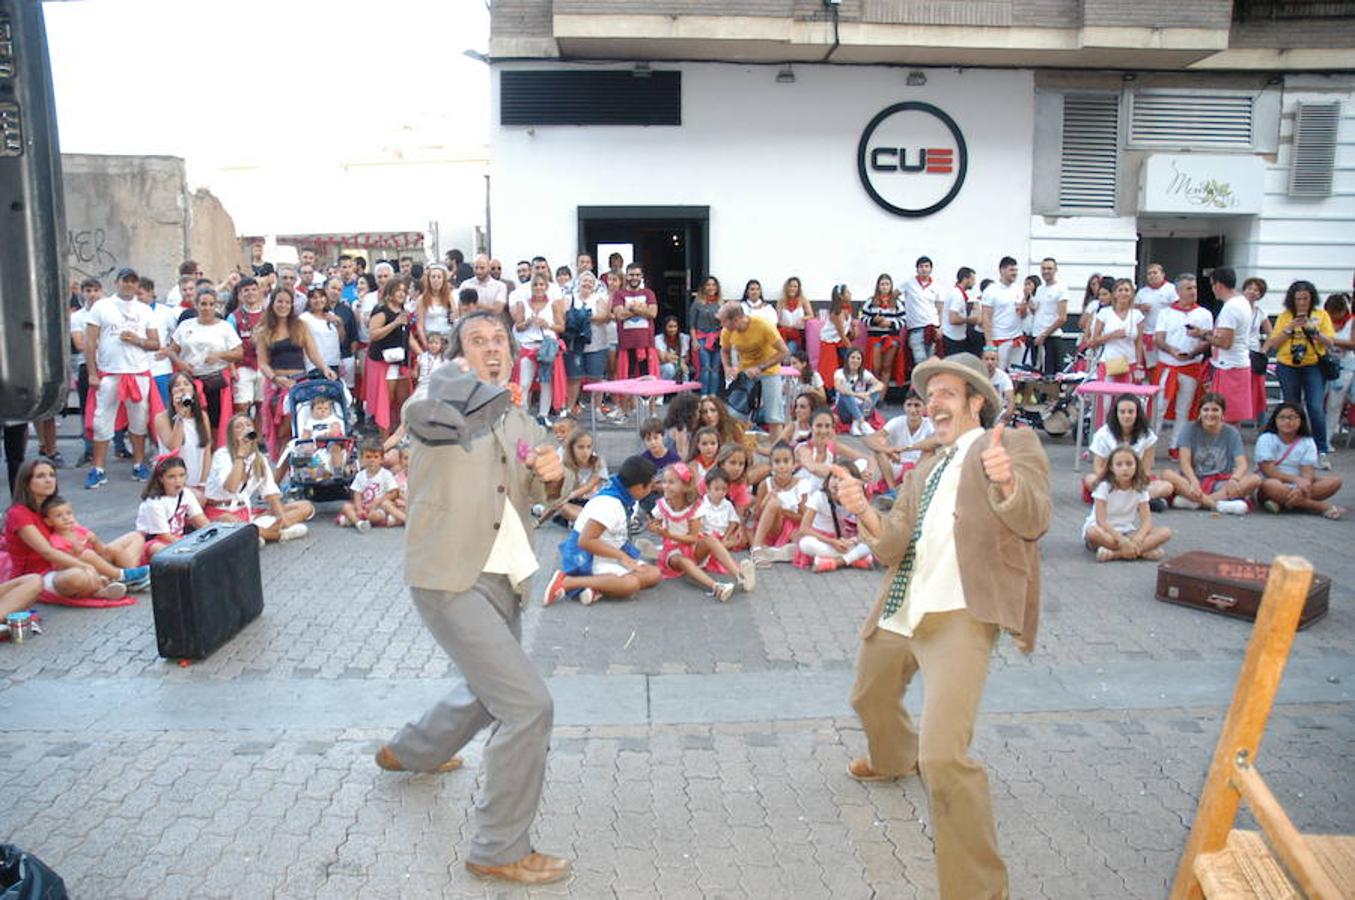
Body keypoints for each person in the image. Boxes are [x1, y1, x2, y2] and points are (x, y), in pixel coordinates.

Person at [837, 352, 1052, 900]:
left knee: (944, 760)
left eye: (947, 395)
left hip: (961, 614)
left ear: (976, 401)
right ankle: (891, 759)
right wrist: (863, 509)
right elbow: (891, 546)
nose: (933, 404)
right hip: (904, 604)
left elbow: (1034, 519)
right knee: (867, 697)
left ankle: (979, 891)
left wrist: (1006, 484)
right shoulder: (925, 468)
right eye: (929, 396)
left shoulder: (1008, 447)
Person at [380, 309, 570, 885]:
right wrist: (452, 375)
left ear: (514, 353)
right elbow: (428, 415)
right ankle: (497, 846)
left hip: (500, 580)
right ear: (456, 355)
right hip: (447, 578)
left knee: (490, 692)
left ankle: (411, 751)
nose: (491, 349)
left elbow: (544, 489)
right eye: (477, 341)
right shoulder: (435, 401)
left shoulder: (520, 419)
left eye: (499, 342)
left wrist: (554, 470)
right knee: (528, 706)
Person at [3, 459, 140, 600]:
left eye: (52, 475)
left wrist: (96, 546)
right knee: (77, 577)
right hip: (40, 574)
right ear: (26, 482)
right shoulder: (18, 513)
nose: (48, 480)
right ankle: (118, 578)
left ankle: (121, 577)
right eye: (40, 476)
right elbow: (47, 552)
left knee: (135, 537)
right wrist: (87, 566)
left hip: (67, 559)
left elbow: (76, 534)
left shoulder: (53, 506)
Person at [543, 455, 660, 606]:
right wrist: (622, 557)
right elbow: (585, 541)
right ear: (638, 487)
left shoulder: (624, 493)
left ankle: (596, 588)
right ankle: (568, 582)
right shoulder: (610, 505)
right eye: (650, 486)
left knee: (654, 574)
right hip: (589, 556)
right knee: (631, 585)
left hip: (610, 552)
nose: (651, 490)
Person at [84, 267, 162, 488]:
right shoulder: (102, 306)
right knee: (102, 422)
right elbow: (90, 342)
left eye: (133, 281)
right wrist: (92, 373)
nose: (128, 285)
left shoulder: (145, 310)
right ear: (117, 283)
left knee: (139, 422)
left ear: (138, 285)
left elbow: (155, 343)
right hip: (110, 373)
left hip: (137, 373)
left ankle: (138, 465)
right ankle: (98, 468)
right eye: (124, 281)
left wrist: (137, 340)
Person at [647, 462, 747, 602]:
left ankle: (739, 575)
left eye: (671, 482)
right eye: (664, 482)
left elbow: (693, 538)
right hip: (672, 552)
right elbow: (655, 524)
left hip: (691, 546)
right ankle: (716, 587)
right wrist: (653, 527)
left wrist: (668, 534)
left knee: (710, 539)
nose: (665, 486)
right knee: (683, 561)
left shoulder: (695, 508)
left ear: (685, 486)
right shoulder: (662, 506)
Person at [204, 414, 313, 541]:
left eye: (248, 425)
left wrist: (283, 520)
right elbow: (231, 487)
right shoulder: (222, 455)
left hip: (245, 513)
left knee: (305, 506)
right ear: (231, 435)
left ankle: (258, 534)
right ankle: (277, 535)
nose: (245, 429)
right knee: (228, 520)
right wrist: (240, 455)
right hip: (221, 511)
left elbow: (271, 495)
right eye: (239, 427)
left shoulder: (259, 458)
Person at [1263, 279, 1336, 468]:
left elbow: (1330, 343)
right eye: (1298, 299)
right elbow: (1274, 344)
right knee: (1291, 406)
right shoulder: (1285, 316)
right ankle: (1291, 449)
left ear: (1312, 298)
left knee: (1315, 407)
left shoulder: (1321, 315)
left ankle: (1321, 450)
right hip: (1288, 364)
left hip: (1313, 364)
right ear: (1291, 300)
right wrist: (1290, 329)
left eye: (1305, 298)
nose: (1302, 302)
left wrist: (1315, 333)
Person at [1160, 393, 1262, 514]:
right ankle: (1218, 505)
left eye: (1215, 410)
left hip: (1221, 482)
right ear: (1199, 413)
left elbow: (1242, 464)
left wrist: (1234, 479)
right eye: (1206, 410)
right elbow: (1184, 462)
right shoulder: (1189, 429)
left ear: (1222, 414)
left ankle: (1197, 502)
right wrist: (1193, 481)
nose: (1210, 414)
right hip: (1194, 480)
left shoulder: (1231, 432)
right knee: (1167, 474)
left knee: (1255, 479)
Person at [167, 287, 243, 442]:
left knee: (215, 420)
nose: (207, 308)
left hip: (215, 380)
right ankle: (193, 450)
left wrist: (221, 355)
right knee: (190, 417)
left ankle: (214, 453)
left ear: (216, 306)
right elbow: (171, 351)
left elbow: (239, 352)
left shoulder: (224, 327)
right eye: (203, 304)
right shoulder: (186, 326)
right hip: (190, 381)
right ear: (196, 305)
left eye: (210, 304)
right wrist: (180, 363)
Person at [1083, 445, 1173, 562]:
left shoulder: (1140, 488)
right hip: (1105, 532)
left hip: (1127, 532)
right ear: (1111, 467)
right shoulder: (1104, 486)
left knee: (1165, 532)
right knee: (1092, 532)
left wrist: (1138, 538)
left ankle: (1117, 554)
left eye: (1129, 464)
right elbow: (1102, 521)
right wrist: (1121, 540)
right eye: (1119, 464)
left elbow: (1146, 521)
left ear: (1136, 466)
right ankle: (1141, 551)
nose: (1124, 468)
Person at [41, 494, 151, 589]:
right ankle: (124, 576)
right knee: (87, 554)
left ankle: (131, 574)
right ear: (49, 521)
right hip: (85, 569)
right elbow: (60, 565)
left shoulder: (79, 530)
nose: (66, 518)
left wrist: (95, 541)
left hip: (101, 562)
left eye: (68, 513)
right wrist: (75, 552)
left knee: (135, 537)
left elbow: (101, 551)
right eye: (59, 516)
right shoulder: (56, 540)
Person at [1153, 275, 1213, 449]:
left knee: (1185, 410)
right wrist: (1172, 350)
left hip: (1191, 367)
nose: (1193, 291)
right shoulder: (1165, 313)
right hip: (1167, 366)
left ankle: (1177, 446)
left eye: (1194, 288)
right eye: (1188, 288)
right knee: (1159, 408)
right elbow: (1159, 338)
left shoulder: (1204, 314)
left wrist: (1192, 352)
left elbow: (1207, 341)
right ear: (1178, 291)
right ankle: (1150, 445)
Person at [1254, 403, 1344, 519]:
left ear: (1301, 420)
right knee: (1270, 485)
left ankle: (1284, 502)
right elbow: (1269, 471)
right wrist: (1296, 480)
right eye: (1282, 417)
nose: (1287, 421)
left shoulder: (1307, 441)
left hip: (1299, 484)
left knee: (1335, 481)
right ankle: (1319, 506)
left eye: (1292, 417)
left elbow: (1307, 471)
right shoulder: (1266, 439)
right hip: (1275, 483)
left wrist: (1301, 488)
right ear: (1275, 420)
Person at [1081, 393, 1172, 505]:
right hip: (1111, 480)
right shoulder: (1103, 434)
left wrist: (1132, 482)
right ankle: (1137, 502)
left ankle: (1120, 501)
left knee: (1167, 487)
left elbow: (1146, 470)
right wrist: (1116, 481)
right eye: (1122, 412)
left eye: (1130, 412)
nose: (1126, 416)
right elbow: (1098, 467)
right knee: (1090, 479)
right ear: (1116, 414)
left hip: (1136, 481)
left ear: (1137, 414)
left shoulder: (1147, 435)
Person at [1197, 267, 1257, 425]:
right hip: (1237, 363)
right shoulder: (1242, 301)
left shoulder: (1230, 308)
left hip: (1229, 366)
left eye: (1212, 285)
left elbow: (1225, 342)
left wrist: (1204, 335)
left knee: (1223, 414)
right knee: (1231, 415)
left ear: (1217, 285)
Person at [718, 301, 790, 427]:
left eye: (724, 321)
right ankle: (741, 444)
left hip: (769, 371)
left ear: (735, 319)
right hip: (745, 374)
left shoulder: (763, 325)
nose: (722, 325)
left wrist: (760, 368)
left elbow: (784, 351)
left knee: (773, 417)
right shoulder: (727, 331)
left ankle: (776, 445)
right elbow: (724, 351)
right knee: (735, 415)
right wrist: (727, 367)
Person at [795, 466, 873, 572]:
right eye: (834, 477)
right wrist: (832, 542)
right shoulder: (819, 496)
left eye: (842, 479)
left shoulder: (855, 499)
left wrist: (852, 541)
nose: (836, 482)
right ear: (828, 479)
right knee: (805, 543)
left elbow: (864, 530)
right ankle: (854, 559)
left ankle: (836, 562)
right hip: (822, 539)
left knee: (872, 542)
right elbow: (804, 528)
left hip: (844, 540)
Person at [363, 277, 413, 438]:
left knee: (403, 402)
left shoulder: (404, 311)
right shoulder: (381, 310)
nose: (401, 294)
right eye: (398, 290)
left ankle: (400, 439)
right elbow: (373, 334)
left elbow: (408, 337)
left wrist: (423, 353)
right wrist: (394, 324)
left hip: (401, 363)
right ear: (390, 292)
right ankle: (385, 441)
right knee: (384, 403)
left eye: (404, 291)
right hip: (382, 363)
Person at [512, 275, 565, 424]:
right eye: (536, 285)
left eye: (542, 285)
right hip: (528, 346)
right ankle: (522, 414)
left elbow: (561, 327)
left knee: (545, 381)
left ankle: (543, 415)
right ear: (531, 287)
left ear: (546, 287)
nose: (539, 288)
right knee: (524, 383)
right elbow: (518, 326)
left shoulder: (553, 304)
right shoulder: (522, 304)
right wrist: (528, 322)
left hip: (546, 346)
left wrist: (547, 324)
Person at [136, 455, 209, 559]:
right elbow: (164, 536)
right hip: (154, 541)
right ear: (161, 478)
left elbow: (200, 520)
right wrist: (191, 545)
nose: (178, 481)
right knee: (162, 550)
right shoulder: (154, 503)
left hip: (178, 538)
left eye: (181, 475)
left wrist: (212, 533)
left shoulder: (186, 493)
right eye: (171, 477)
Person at [152, 372, 213, 496]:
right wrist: (180, 414)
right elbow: (174, 447)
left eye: (186, 384)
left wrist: (203, 483)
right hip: (175, 484)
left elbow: (207, 451)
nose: (182, 387)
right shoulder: (161, 418)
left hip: (199, 483)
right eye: (177, 385)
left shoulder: (202, 416)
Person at [563, 271, 611, 417]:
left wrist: (583, 316)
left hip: (597, 344)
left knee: (596, 377)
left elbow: (604, 316)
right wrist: (579, 317)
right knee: (574, 377)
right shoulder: (569, 298)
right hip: (574, 344)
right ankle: (570, 408)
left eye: (591, 281)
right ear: (578, 282)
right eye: (584, 280)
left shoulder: (600, 298)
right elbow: (564, 315)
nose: (587, 283)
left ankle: (597, 409)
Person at [866, 393, 938, 491]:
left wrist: (906, 448)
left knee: (930, 451)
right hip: (896, 465)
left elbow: (934, 443)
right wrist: (889, 450)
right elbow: (869, 439)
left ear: (925, 408)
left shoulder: (930, 424)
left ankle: (908, 488)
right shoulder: (897, 422)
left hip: (918, 468)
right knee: (879, 450)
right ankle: (892, 490)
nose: (912, 410)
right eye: (909, 405)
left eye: (917, 405)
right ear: (904, 407)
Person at [750, 441, 806, 565]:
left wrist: (783, 512)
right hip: (771, 529)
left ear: (794, 465)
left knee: (802, 539)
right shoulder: (765, 484)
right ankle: (756, 548)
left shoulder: (802, 485)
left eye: (786, 461)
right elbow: (758, 516)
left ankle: (778, 552)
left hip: (791, 528)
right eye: (777, 462)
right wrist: (767, 502)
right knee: (773, 503)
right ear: (771, 465)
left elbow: (804, 518)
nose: (782, 466)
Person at [1088, 277, 1147, 383]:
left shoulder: (1137, 315)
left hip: (1130, 362)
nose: (1123, 293)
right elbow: (1093, 341)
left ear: (1132, 294)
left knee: (1127, 397)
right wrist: (1112, 335)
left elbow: (1139, 342)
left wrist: (1139, 364)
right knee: (1106, 397)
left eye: (1126, 290)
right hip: (1109, 362)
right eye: (1120, 290)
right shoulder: (1104, 313)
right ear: (1114, 294)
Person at [338, 440, 403, 530]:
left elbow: (393, 492)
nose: (372, 460)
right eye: (368, 457)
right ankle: (358, 522)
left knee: (376, 515)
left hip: (378, 507)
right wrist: (359, 508)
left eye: (376, 457)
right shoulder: (360, 475)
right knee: (346, 506)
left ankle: (357, 520)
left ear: (382, 459)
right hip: (364, 505)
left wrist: (378, 501)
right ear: (362, 459)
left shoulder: (386, 474)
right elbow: (357, 493)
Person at [611, 263, 659, 384]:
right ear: (626, 276)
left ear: (641, 276)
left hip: (646, 342)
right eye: (631, 275)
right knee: (628, 380)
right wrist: (641, 310)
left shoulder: (648, 293)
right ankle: (629, 404)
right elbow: (619, 315)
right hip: (627, 343)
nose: (634, 278)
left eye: (637, 275)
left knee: (648, 380)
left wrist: (632, 309)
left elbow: (653, 313)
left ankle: (647, 403)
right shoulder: (619, 294)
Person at [980, 256, 1027, 370]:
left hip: (1017, 338)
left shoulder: (1018, 289)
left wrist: (1024, 306)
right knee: (999, 372)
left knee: (1017, 373)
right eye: (1011, 270)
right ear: (1002, 270)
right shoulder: (991, 291)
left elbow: (1023, 315)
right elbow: (986, 316)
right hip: (999, 339)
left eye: (1016, 270)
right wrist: (989, 342)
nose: (1014, 273)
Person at [861, 273, 906, 388]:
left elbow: (903, 320)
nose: (885, 287)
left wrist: (890, 324)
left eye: (887, 284)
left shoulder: (897, 303)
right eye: (882, 284)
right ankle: (874, 394)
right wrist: (874, 320)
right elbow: (862, 317)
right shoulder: (870, 302)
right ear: (878, 286)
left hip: (891, 337)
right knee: (876, 368)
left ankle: (881, 398)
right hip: (875, 337)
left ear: (891, 286)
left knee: (887, 367)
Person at [1324, 292, 1355, 449]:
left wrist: (1331, 340)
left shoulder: (1352, 321)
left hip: (1344, 366)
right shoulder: (1323, 319)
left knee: (1334, 404)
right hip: (1324, 364)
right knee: (1316, 401)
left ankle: (1327, 438)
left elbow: (1353, 343)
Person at [1134, 263, 1179, 371]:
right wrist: (1140, 307)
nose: (1152, 276)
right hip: (1146, 334)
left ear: (1163, 274)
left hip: (1165, 334)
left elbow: (1178, 307)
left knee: (1163, 364)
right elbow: (1132, 308)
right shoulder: (1142, 292)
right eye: (1149, 273)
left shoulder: (1171, 289)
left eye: (1155, 273)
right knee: (1148, 366)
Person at [1029, 258, 1068, 375]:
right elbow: (1036, 311)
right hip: (1037, 338)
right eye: (1044, 268)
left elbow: (1062, 318)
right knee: (1037, 376)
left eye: (1049, 268)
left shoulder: (1061, 289)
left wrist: (1044, 335)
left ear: (1056, 270)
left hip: (1052, 338)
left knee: (1052, 379)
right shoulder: (1040, 289)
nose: (1046, 271)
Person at [834, 347, 884, 435]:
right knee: (845, 393)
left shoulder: (864, 373)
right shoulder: (840, 372)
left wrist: (868, 393)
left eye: (858, 358)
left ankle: (855, 424)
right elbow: (838, 387)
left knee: (876, 393)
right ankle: (862, 423)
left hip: (863, 410)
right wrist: (857, 395)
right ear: (847, 359)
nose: (855, 361)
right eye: (852, 357)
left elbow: (880, 385)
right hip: (845, 412)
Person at [901, 256, 941, 367]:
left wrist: (939, 327)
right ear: (917, 269)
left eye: (926, 266)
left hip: (932, 329)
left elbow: (939, 308)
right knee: (920, 362)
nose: (924, 269)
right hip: (916, 329)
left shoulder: (936, 286)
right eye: (921, 266)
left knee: (931, 363)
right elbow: (894, 295)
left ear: (931, 269)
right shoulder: (909, 283)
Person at [817, 284, 857, 395]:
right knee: (831, 369)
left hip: (839, 342)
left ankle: (846, 388)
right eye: (848, 292)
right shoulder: (837, 313)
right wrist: (853, 352)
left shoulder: (847, 310)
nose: (850, 294)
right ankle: (831, 392)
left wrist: (853, 328)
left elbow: (847, 332)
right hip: (830, 343)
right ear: (841, 296)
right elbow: (841, 335)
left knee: (845, 365)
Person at [941, 267, 981, 358]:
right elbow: (953, 319)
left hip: (956, 337)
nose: (974, 283)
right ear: (965, 279)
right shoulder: (957, 295)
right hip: (953, 339)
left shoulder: (957, 293)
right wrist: (970, 320)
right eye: (972, 279)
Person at [776, 276, 812, 354]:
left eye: (795, 286)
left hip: (797, 334)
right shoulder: (781, 301)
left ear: (798, 288)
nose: (792, 288)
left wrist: (802, 319)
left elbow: (811, 315)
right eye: (790, 286)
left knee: (790, 350)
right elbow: (777, 320)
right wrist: (784, 324)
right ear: (787, 287)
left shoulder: (803, 300)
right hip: (784, 333)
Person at [981, 347, 1016, 425]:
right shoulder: (976, 374)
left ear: (997, 361)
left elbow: (1011, 399)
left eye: (993, 359)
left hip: (997, 411)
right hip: (979, 411)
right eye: (986, 359)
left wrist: (1008, 414)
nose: (989, 362)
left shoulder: (1003, 376)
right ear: (981, 361)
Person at [655, 315, 691, 383]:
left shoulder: (683, 338)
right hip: (663, 366)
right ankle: (665, 391)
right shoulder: (659, 339)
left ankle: (683, 392)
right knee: (669, 368)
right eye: (670, 327)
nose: (673, 329)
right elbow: (663, 358)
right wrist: (679, 363)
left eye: (675, 326)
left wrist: (679, 363)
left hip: (678, 364)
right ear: (665, 327)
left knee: (684, 372)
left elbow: (686, 358)